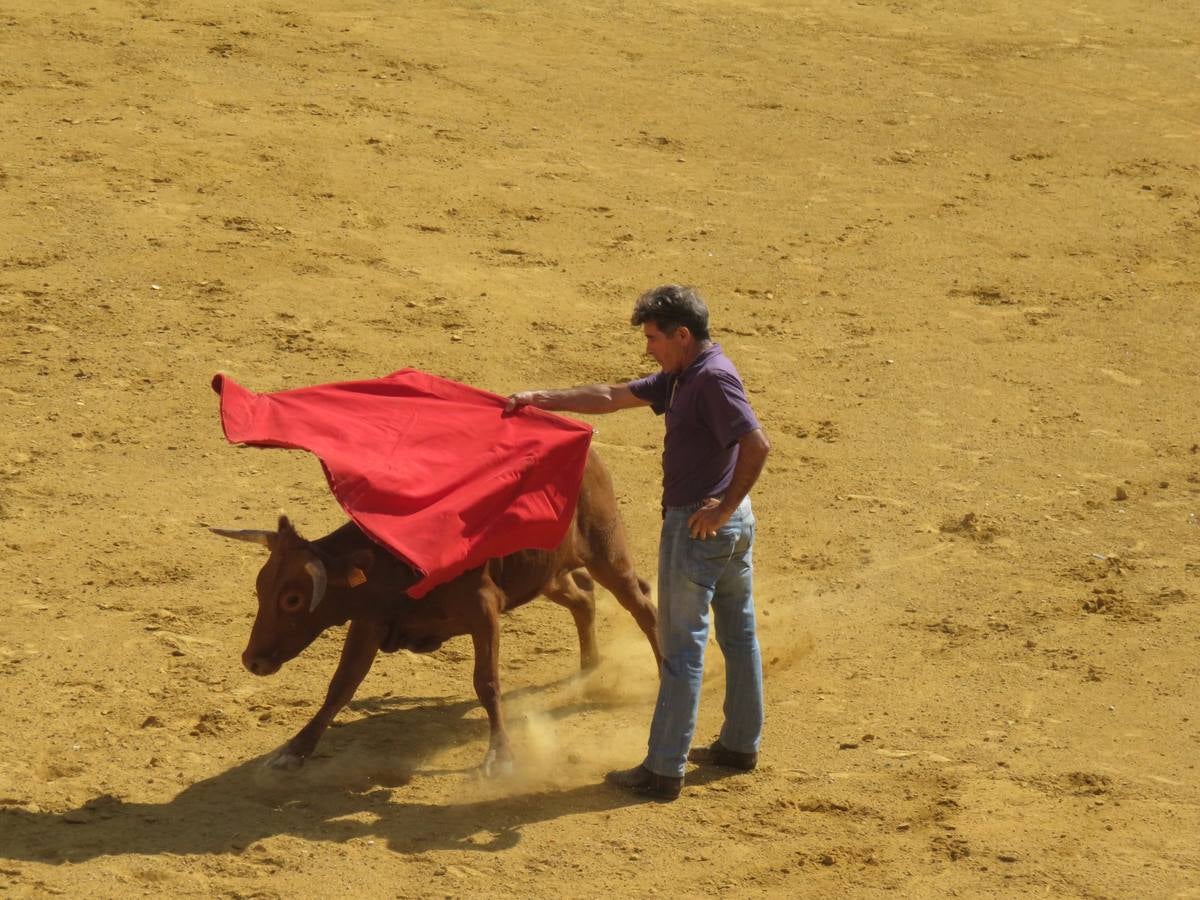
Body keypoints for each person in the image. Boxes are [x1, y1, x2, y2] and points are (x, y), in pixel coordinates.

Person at [505, 284, 770, 801]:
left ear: (682, 335)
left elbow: (757, 443)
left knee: (681, 648)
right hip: (726, 527)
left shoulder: (711, 379)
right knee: (737, 635)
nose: (648, 346)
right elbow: (610, 396)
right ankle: (739, 745)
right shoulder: (684, 374)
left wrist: (722, 506)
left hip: (701, 525)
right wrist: (541, 399)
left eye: (653, 337)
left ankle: (663, 769)